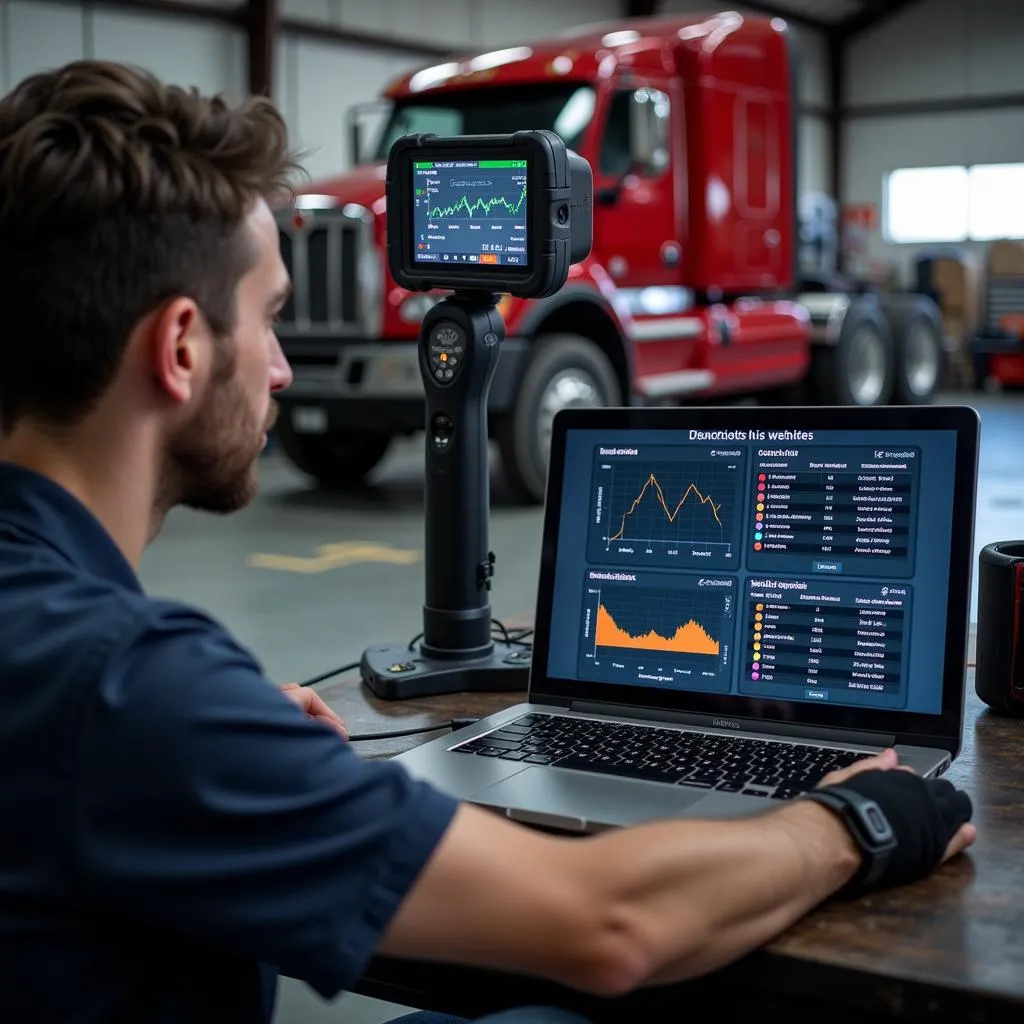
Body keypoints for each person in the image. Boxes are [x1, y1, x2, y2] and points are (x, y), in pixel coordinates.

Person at [0, 60, 975, 1024]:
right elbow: (608, 924)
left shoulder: (92, 667)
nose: (286, 370)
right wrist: (858, 818)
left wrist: (220, 740)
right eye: (271, 319)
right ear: (180, 348)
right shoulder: (131, 690)